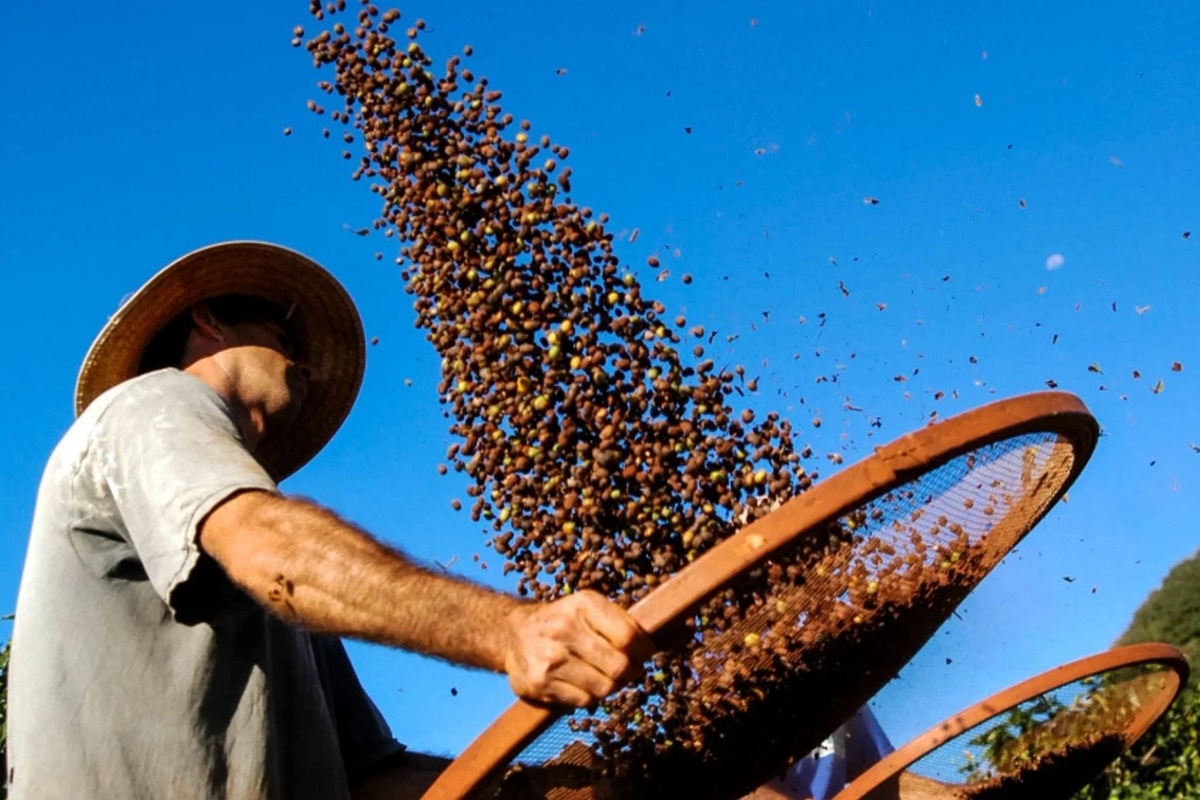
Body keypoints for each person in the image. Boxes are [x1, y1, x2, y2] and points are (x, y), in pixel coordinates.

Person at [6, 241, 652, 799]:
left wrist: (539, 791)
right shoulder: (149, 403)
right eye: (286, 341)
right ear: (210, 322)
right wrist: (512, 629)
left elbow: (368, 780)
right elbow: (271, 550)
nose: (309, 367)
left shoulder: (291, 597)